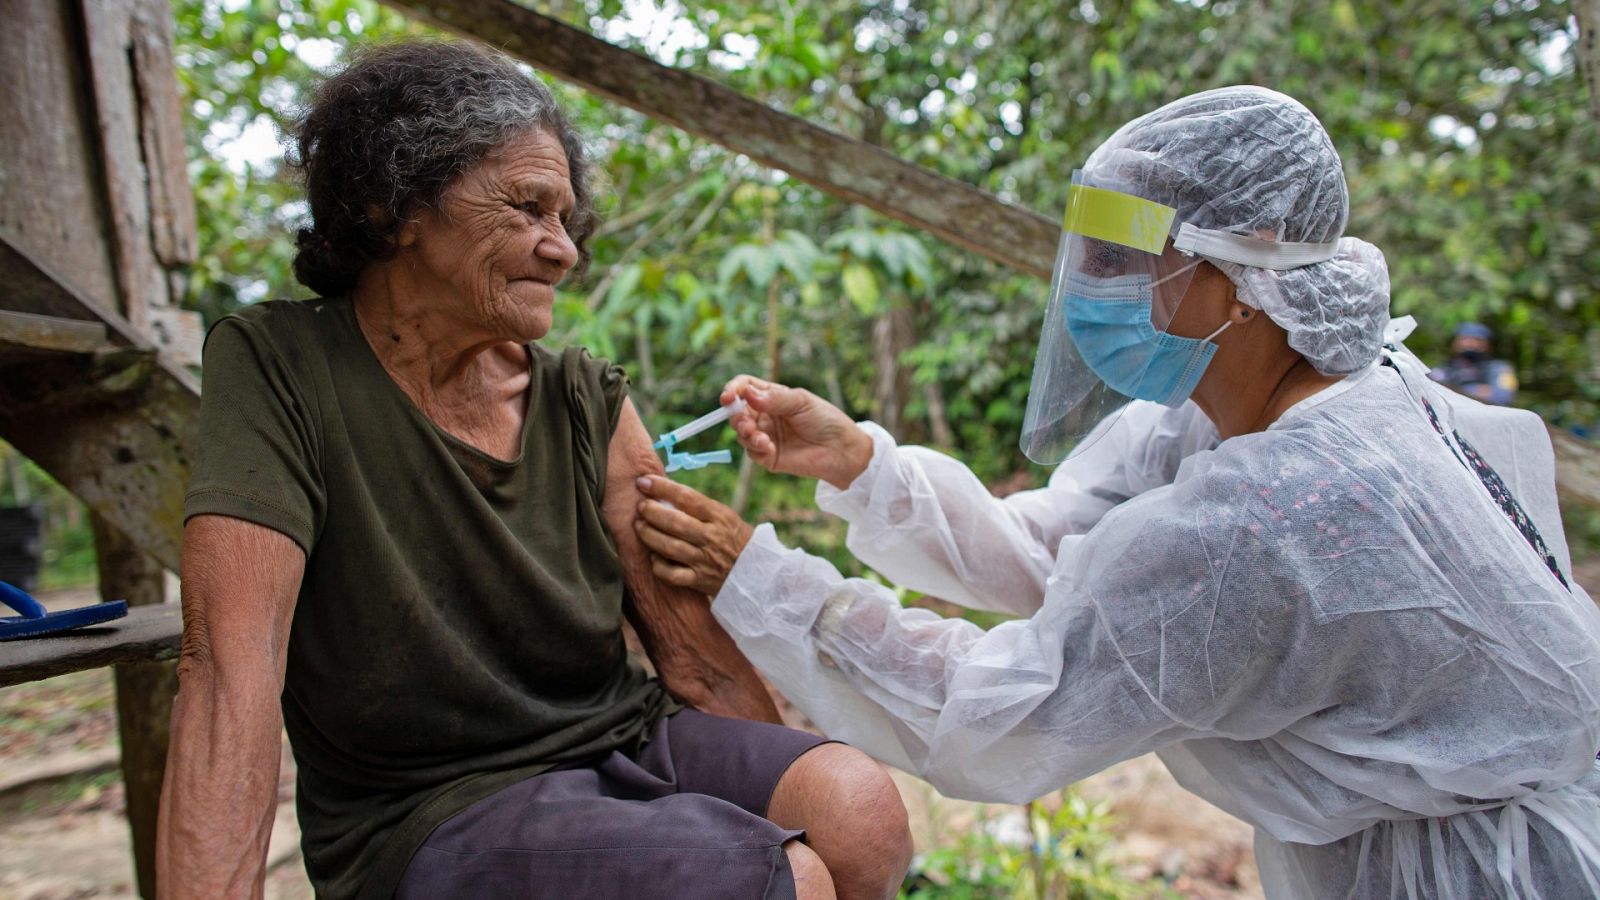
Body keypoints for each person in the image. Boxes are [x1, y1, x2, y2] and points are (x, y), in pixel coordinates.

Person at [633, 86, 1600, 899]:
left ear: (1246, 258)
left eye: (1120, 259)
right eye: (1085, 256)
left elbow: (1002, 712)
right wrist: (859, 462)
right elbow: (1056, 551)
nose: (1089, 288)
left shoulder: (1280, 508)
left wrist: (764, 582)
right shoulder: (1254, 401)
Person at [156, 41, 910, 900]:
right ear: (393, 203)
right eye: (527, 208)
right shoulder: (280, 366)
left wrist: (761, 829)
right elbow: (226, 671)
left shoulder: (584, 396)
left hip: (621, 738)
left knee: (858, 812)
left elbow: (693, 660)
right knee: (781, 883)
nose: (564, 251)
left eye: (565, 218)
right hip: (431, 806)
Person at [1429, 322, 1519, 405]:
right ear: (1454, 343)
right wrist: (1479, 390)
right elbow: (1428, 393)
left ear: (1488, 345)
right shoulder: (1443, 369)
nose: (1470, 344)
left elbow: (1503, 397)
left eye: (1477, 340)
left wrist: (1452, 389)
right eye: (1464, 339)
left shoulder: (1500, 368)